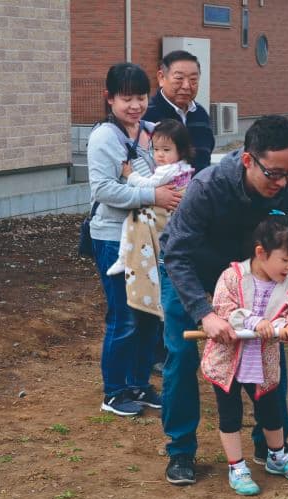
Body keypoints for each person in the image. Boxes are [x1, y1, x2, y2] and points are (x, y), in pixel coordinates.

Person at [160, 114, 288, 485]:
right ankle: (181, 450)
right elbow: (177, 256)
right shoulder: (208, 187)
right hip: (193, 276)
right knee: (183, 357)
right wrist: (205, 313)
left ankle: (270, 447)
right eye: (274, 173)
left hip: (252, 280)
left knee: (268, 348)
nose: (282, 183)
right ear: (249, 160)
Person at [87, 63, 183, 417]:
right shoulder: (105, 138)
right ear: (109, 98)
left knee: (147, 314)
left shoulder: (152, 131)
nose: (135, 105)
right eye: (126, 98)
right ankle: (114, 391)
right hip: (114, 236)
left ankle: (139, 384)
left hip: (150, 237)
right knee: (123, 316)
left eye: (141, 97)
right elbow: (103, 189)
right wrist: (153, 197)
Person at [201, 214, 288, 495]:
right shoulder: (232, 276)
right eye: (285, 259)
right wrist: (253, 321)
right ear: (261, 253)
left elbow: (284, 317)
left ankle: (277, 455)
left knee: (271, 413)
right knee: (230, 414)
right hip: (228, 363)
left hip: (263, 363)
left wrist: (285, 328)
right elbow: (224, 310)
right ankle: (236, 466)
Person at [143, 50, 215, 374]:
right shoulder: (149, 113)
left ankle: (177, 341)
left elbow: (206, 160)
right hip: (157, 208)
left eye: (194, 79)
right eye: (179, 78)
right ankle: (158, 350)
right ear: (161, 77)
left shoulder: (200, 114)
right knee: (157, 278)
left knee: (183, 272)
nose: (187, 85)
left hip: (193, 208)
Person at [106, 119, 194, 281]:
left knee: (130, 223)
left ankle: (123, 258)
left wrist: (130, 175)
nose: (159, 154)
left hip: (162, 212)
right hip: (176, 215)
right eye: (156, 149)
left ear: (180, 151)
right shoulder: (184, 167)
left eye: (166, 150)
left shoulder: (167, 170)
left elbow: (148, 185)